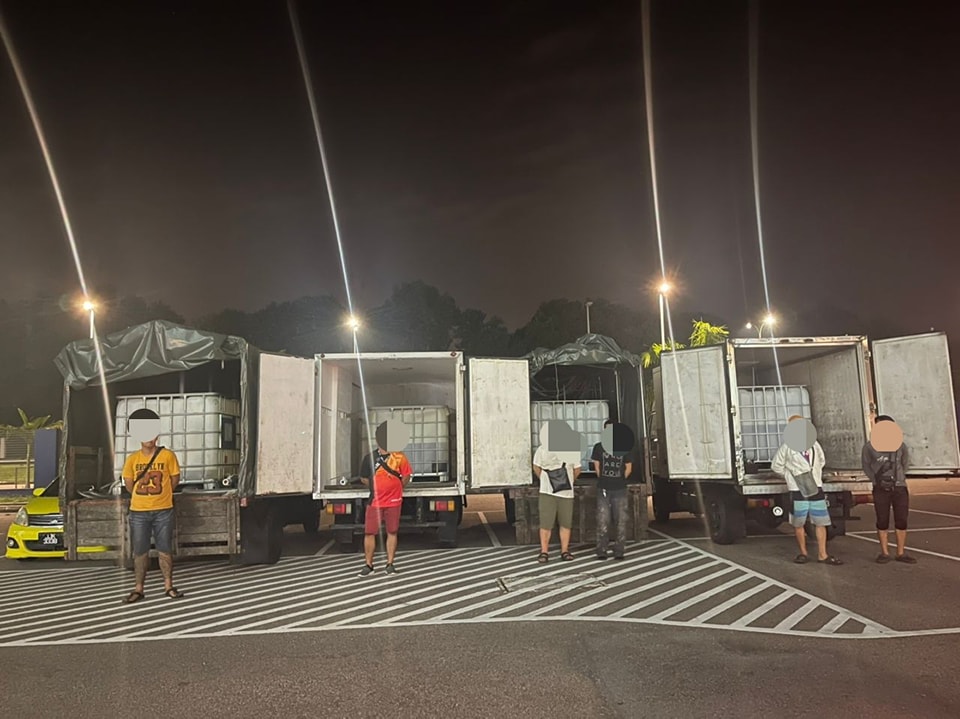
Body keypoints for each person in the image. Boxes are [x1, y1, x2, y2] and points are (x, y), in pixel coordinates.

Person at [121, 408, 184, 603]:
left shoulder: (168, 456)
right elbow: (129, 484)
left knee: (165, 548)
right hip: (138, 511)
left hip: (163, 510)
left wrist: (162, 495)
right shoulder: (132, 459)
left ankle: (168, 585)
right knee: (140, 550)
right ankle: (138, 588)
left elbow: (174, 479)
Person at [771, 415, 842, 566]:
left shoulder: (814, 444)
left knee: (820, 521)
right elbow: (776, 465)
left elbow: (821, 461)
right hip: (797, 489)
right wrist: (790, 475)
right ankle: (803, 553)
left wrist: (814, 474)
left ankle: (823, 554)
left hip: (815, 487)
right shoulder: (787, 447)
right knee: (799, 522)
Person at [862, 414, 916, 564]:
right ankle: (884, 552)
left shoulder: (901, 446)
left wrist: (899, 478)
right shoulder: (869, 447)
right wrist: (876, 481)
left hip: (899, 487)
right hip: (880, 488)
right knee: (882, 519)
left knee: (901, 519)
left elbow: (905, 463)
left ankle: (900, 552)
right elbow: (866, 465)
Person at [359, 437, 413, 576]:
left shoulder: (399, 457)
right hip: (375, 501)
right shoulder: (369, 458)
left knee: (392, 531)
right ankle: (368, 565)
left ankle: (390, 564)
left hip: (394, 501)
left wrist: (397, 488)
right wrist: (376, 486)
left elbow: (406, 475)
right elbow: (363, 478)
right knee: (369, 532)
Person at [532, 422, 581, 563]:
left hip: (549, 491)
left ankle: (549, 552)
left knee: (556, 523)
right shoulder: (544, 449)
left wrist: (546, 479)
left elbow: (536, 468)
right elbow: (577, 470)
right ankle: (558, 551)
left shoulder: (544, 449)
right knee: (555, 523)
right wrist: (568, 481)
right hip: (561, 492)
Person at [590, 420, 632, 560]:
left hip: (620, 489)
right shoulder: (598, 447)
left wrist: (620, 479)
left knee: (621, 521)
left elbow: (629, 467)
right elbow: (597, 466)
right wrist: (603, 479)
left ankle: (619, 550)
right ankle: (602, 550)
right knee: (603, 520)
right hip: (603, 489)